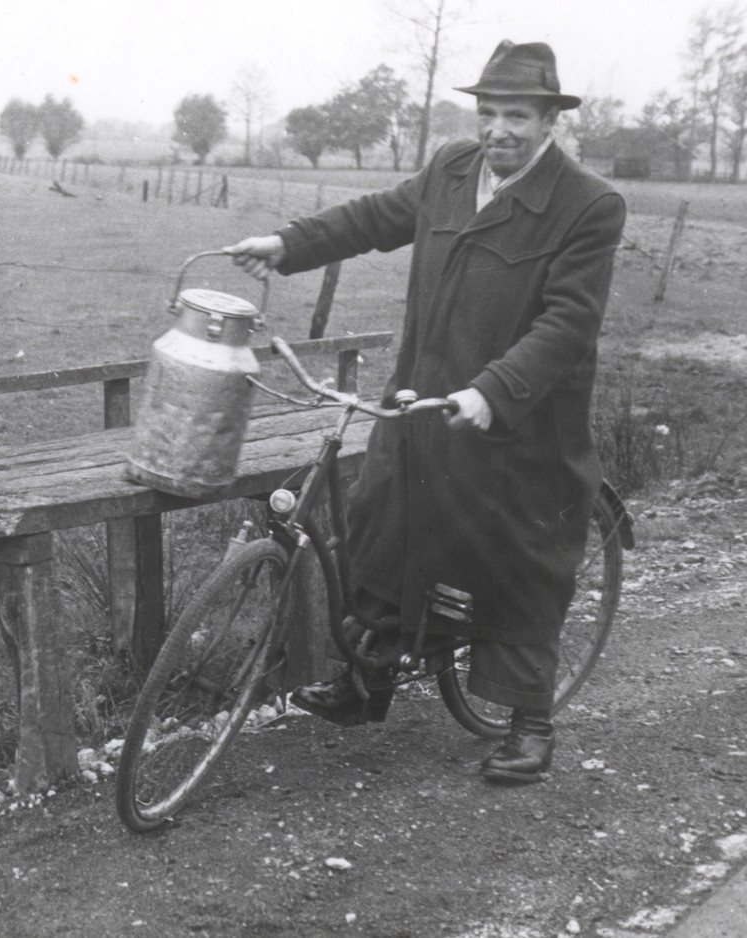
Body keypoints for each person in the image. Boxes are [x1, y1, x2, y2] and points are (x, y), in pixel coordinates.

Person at [224, 40, 626, 784]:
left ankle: (530, 721)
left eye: (515, 116)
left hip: (521, 426)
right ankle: (368, 677)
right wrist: (286, 244)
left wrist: (494, 391)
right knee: (382, 524)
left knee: (518, 565)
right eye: (487, 113)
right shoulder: (450, 169)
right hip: (422, 403)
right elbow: (376, 217)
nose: (497, 129)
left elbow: (569, 323)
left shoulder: (589, 206)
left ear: (549, 122)